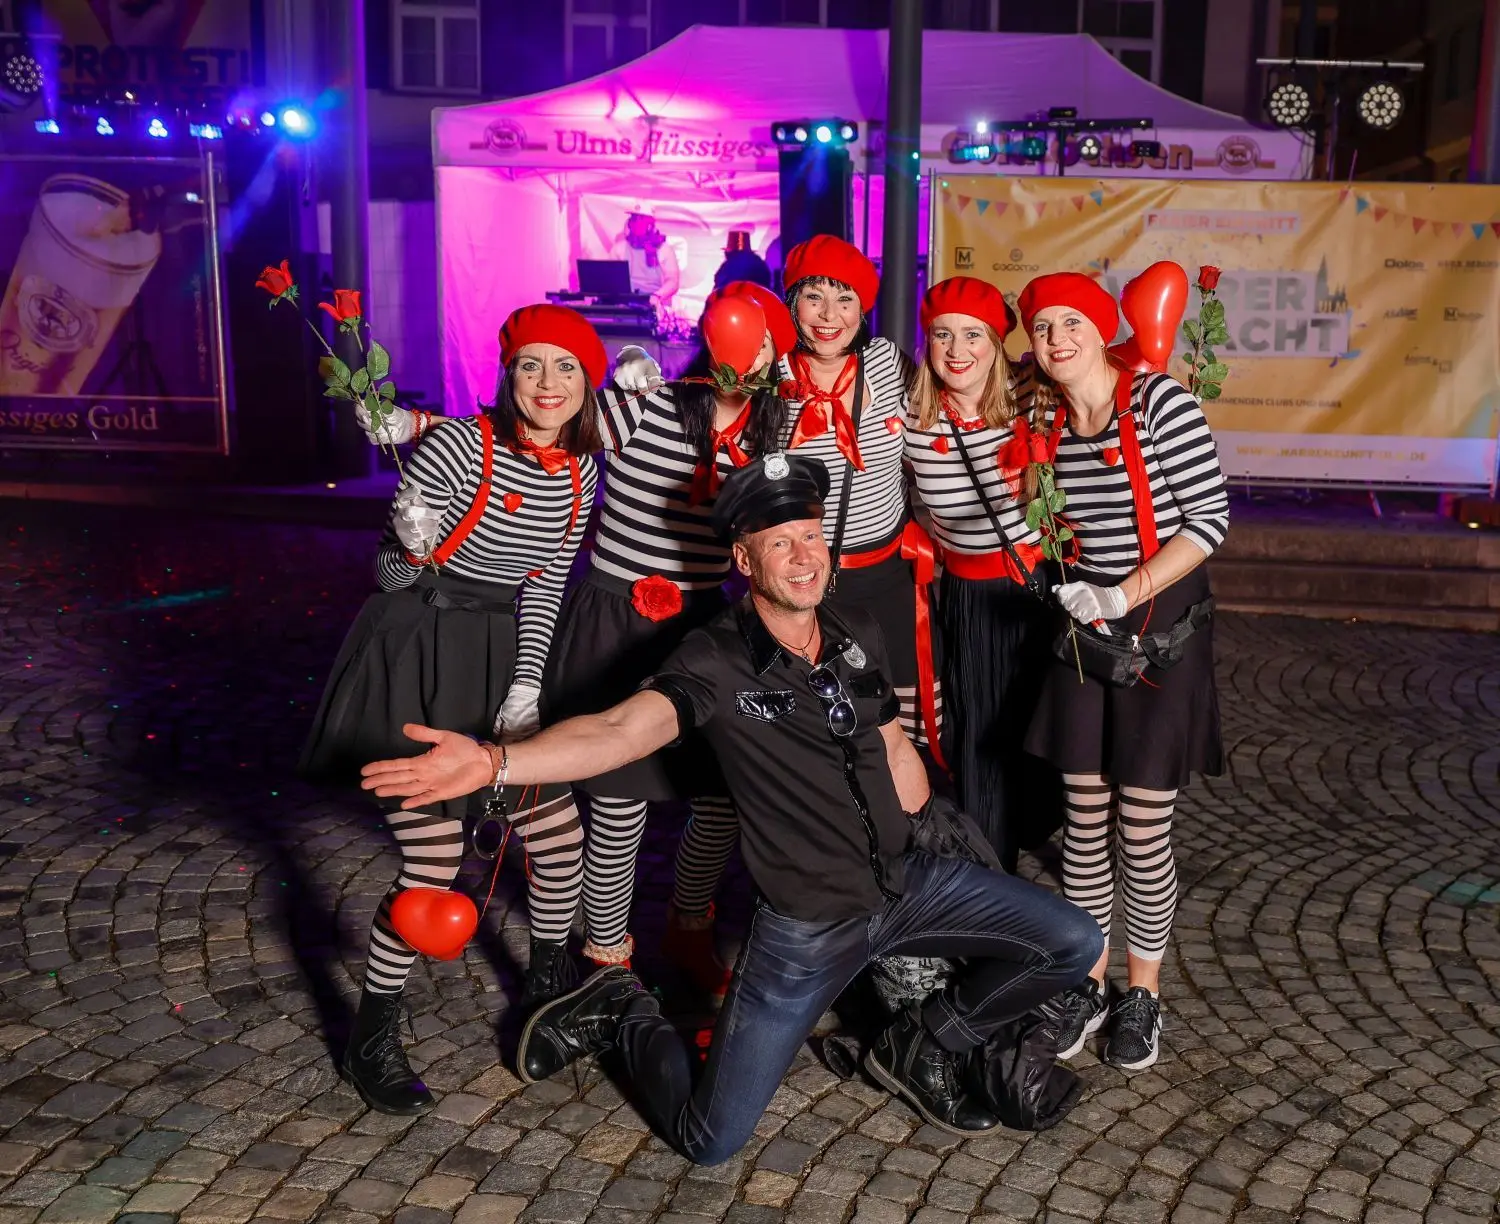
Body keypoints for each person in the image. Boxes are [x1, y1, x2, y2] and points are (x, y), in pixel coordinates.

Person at [361, 453, 1103, 1164]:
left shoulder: (854, 633)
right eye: (779, 543)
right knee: (708, 1140)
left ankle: (921, 1043)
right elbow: (621, 730)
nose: (804, 555)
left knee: (1071, 941)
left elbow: (891, 741)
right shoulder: (713, 660)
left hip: (908, 885)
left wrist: (946, 844)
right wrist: (495, 760)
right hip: (807, 928)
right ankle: (621, 1008)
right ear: (745, 562)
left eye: (811, 535)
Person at [299, 304, 605, 1115]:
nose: (549, 383)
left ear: (587, 383)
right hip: (417, 657)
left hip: (501, 659)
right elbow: (390, 581)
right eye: (533, 365)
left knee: (559, 834)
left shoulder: (581, 472)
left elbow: (544, 584)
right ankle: (371, 1036)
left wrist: (526, 689)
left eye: (567, 368)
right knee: (433, 864)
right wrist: (406, 543)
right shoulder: (458, 446)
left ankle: (546, 990)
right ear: (508, 373)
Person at [534, 284, 795, 995]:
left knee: (718, 794)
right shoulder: (645, 405)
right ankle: (605, 959)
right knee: (620, 800)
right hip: (616, 617)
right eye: (736, 338)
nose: (749, 354)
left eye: (765, 341)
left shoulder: (776, 431)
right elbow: (543, 432)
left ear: (777, 350)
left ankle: (687, 926)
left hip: (704, 623)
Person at [1016, 272, 1229, 1072]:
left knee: (1141, 829)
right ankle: (1087, 982)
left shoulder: (1160, 404)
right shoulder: (1045, 420)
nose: (1057, 339)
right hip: (1084, 633)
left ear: (1103, 330)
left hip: (1160, 631)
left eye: (1073, 323)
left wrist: (1122, 590)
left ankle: (1143, 993)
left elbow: (1209, 520)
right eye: (1042, 328)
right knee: (1082, 820)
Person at [903, 276, 1062, 871]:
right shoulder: (909, 417)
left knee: (1039, 733)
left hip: (1037, 590)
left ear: (998, 344)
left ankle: (1038, 839)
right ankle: (990, 875)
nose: (957, 349)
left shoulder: (1033, 397)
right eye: (943, 334)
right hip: (967, 595)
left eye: (974, 335)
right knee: (979, 738)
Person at [609, 207, 680, 312]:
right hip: (625, 305)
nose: (635, 223)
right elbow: (610, 279)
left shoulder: (664, 249)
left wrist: (657, 296)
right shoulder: (619, 248)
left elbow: (673, 281)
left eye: (640, 219)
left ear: (650, 224)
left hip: (655, 306)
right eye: (633, 219)